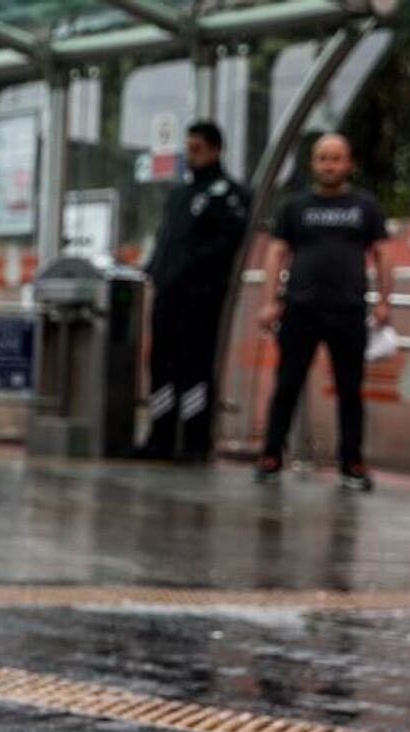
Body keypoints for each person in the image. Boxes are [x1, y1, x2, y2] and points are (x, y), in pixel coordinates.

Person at [255, 134, 391, 491]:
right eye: (322, 158)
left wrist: (384, 301)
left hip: (347, 310)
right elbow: (275, 254)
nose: (329, 164)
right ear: (313, 163)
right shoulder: (293, 206)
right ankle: (270, 455)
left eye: (336, 158)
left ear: (349, 163)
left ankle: (352, 463)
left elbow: (383, 253)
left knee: (350, 389)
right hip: (300, 310)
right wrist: (270, 302)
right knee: (287, 384)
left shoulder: (365, 206)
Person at [137, 121, 252, 462]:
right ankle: (160, 436)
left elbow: (227, 244)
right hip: (168, 295)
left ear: (215, 150)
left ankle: (194, 440)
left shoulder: (229, 194)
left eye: (197, 149)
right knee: (162, 364)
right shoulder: (180, 195)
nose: (191, 156)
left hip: (200, 297)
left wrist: (191, 268)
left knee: (195, 366)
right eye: (188, 149)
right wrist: (156, 271)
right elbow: (166, 241)